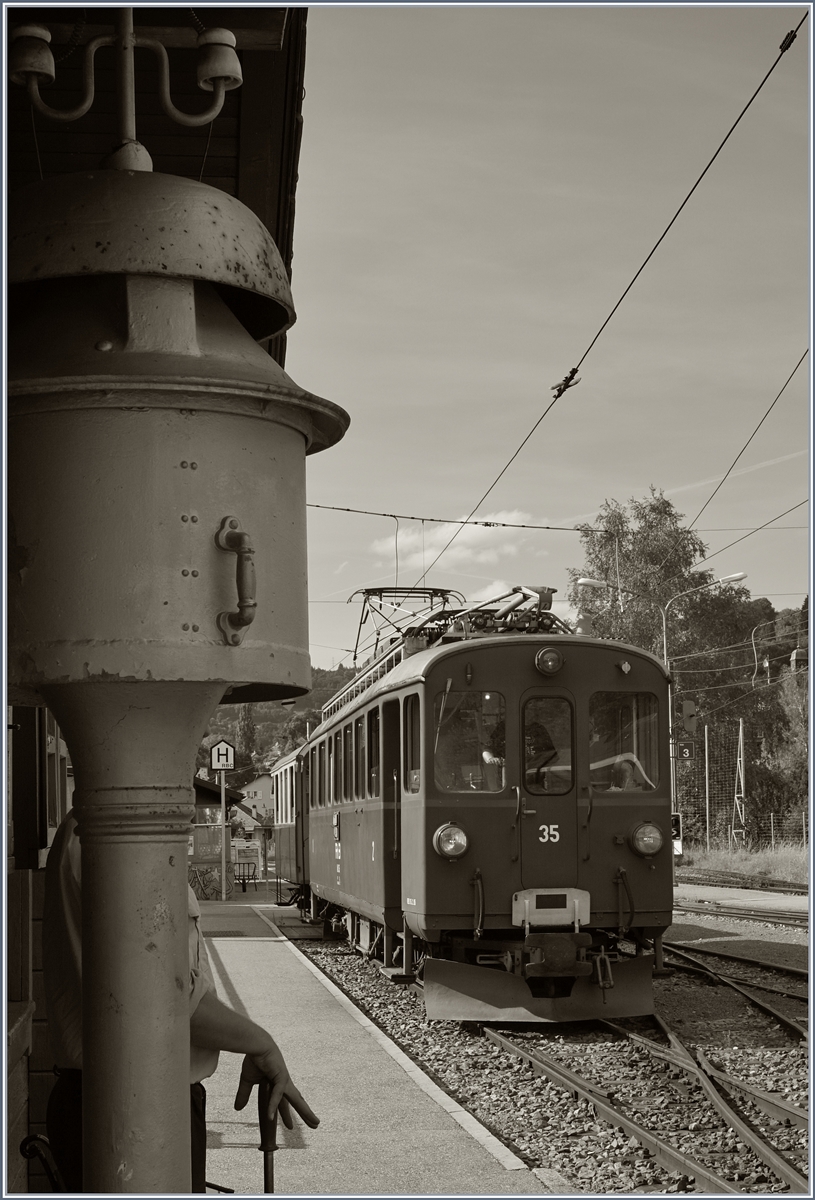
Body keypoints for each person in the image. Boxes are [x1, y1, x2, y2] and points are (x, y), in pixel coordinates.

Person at [43, 809, 319, 1192]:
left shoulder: (104, 828)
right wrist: (261, 1043)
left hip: (126, 1103)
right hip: (132, 1109)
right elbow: (164, 999)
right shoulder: (114, 833)